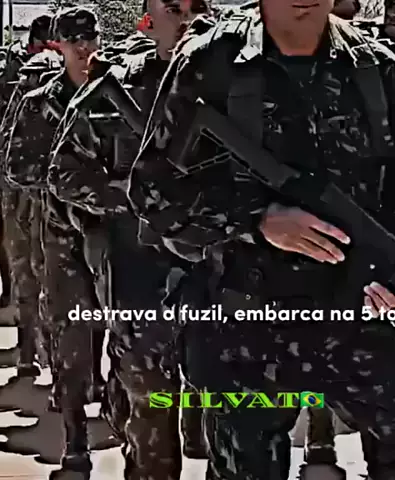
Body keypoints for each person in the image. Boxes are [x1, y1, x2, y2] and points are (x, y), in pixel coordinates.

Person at [127, 0, 395, 478]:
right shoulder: (211, 63)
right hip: (247, 324)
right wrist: (257, 218)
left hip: (356, 320)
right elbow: (153, 190)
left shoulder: (374, 68)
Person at [48, 1, 212, 478]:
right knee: (150, 408)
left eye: (197, 7)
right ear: (148, 20)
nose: (187, 19)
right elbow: (63, 174)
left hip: (223, 276)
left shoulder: (242, 83)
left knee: (233, 415)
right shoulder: (118, 87)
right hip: (141, 277)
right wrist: (135, 196)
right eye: (174, 8)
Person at [4, 7, 104, 472]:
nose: (84, 48)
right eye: (74, 41)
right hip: (59, 233)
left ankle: (113, 403)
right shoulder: (39, 101)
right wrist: (67, 181)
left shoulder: (120, 92)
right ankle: (75, 436)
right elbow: (16, 167)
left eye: (90, 39)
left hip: (115, 233)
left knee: (122, 329)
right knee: (68, 332)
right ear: (58, 45)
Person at [0, 14, 55, 372]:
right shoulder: (23, 76)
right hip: (24, 187)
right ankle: (30, 349)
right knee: (31, 266)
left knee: (36, 268)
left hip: (36, 189)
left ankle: (36, 350)